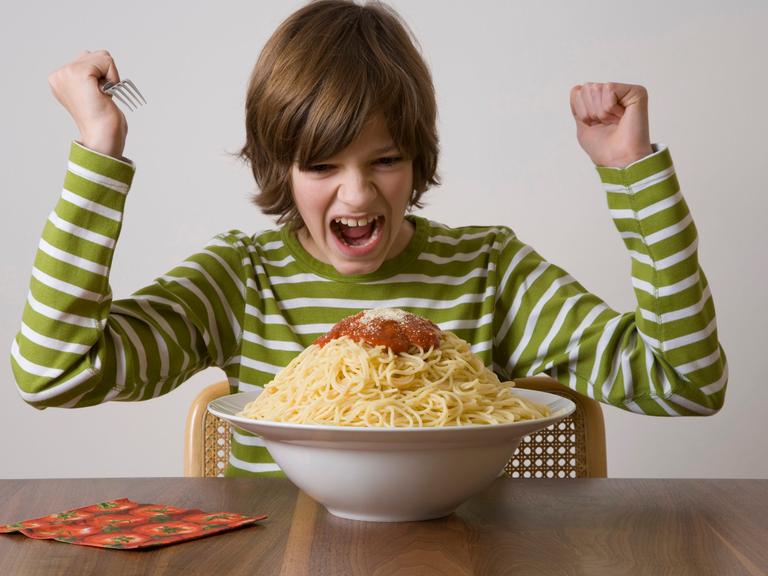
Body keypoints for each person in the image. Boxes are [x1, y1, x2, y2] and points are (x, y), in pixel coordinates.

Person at [11, 0, 727, 476]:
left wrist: (634, 176)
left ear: (418, 157)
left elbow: (687, 383)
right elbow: (52, 373)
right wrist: (100, 151)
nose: (357, 195)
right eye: (321, 165)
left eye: (385, 159)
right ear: (276, 167)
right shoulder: (243, 281)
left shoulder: (488, 271)